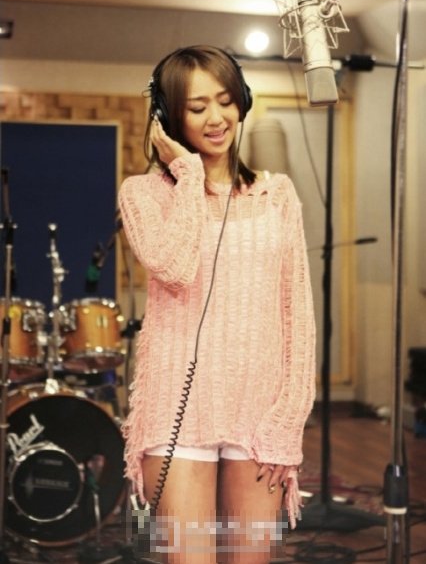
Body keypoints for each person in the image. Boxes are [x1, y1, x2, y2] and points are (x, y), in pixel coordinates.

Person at [118, 45, 316, 564]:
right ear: (168, 116)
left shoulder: (277, 195)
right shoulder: (143, 194)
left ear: (242, 102)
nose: (216, 118)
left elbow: (298, 314)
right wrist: (187, 174)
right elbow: (175, 266)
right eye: (197, 106)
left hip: (260, 410)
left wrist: (289, 417)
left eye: (226, 101)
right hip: (176, 410)